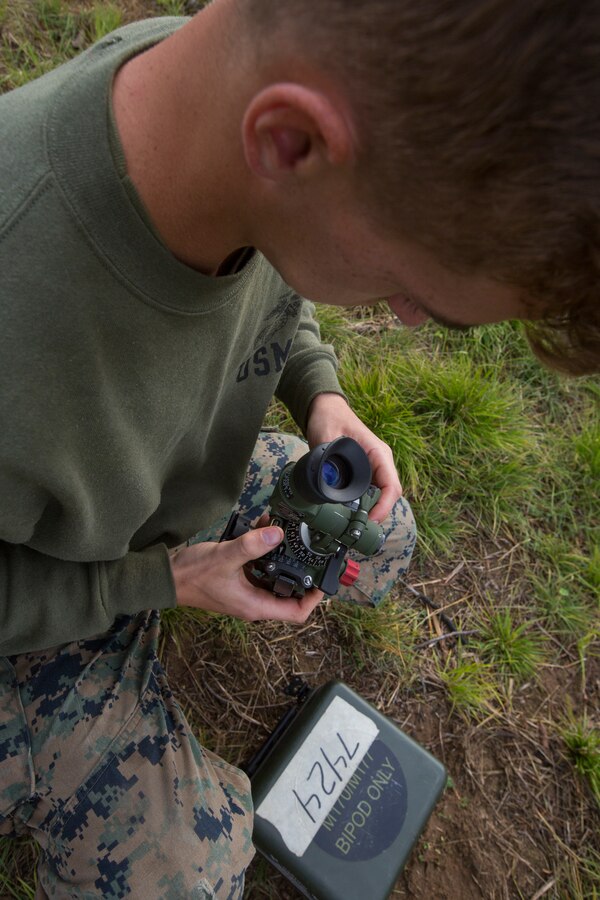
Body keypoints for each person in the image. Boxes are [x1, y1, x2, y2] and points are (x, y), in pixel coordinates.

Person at [0, 0, 597, 896]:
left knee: (375, 539)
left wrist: (321, 394)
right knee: (187, 875)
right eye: (411, 287)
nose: (400, 316)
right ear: (291, 144)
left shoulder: (215, 120)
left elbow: (273, 278)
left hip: (157, 504)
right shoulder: (20, 312)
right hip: (32, 609)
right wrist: (156, 583)